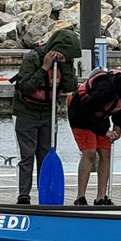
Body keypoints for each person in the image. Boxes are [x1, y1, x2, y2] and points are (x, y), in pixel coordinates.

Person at [13, 28, 81, 204]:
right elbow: (26, 87)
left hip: (48, 114)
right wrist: (45, 67)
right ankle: (23, 195)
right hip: (26, 112)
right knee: (27, 155)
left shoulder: (66, 60)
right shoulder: (33, 58)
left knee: (45, 155)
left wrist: (65, 65)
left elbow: (70, 86)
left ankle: (46, 194)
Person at [67, 65, 121, 205]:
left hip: (100, 119)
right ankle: (80, 197)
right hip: (80, 116)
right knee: (90, 153)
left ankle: (101, 197)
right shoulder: (105, 90)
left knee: (105, 154)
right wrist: (105, 132)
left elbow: (118, 109)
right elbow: (85, 112)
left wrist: (118, 126)